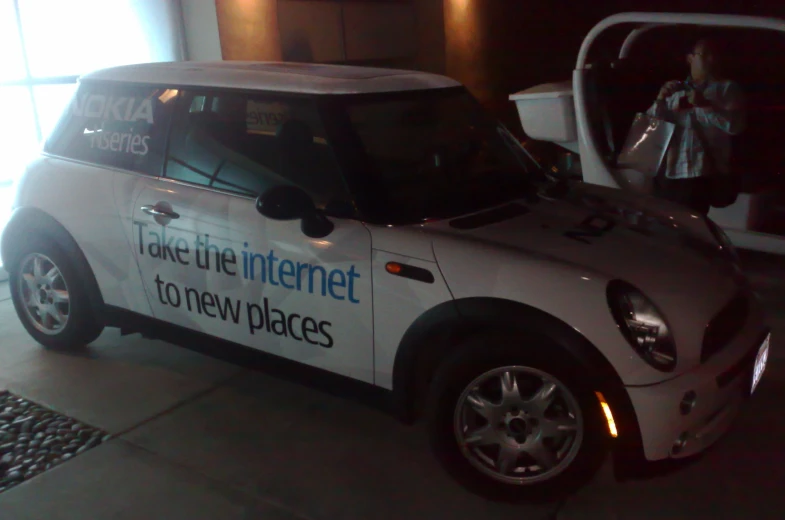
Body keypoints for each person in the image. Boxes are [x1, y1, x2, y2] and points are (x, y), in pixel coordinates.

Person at [647, 38, 746, 214]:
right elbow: (652, 128)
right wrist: (660, 99)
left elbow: (734, 125)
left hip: (699, 173)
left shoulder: (726, 88)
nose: (711, 60)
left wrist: (705, 105)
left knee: (688, 230)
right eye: (705, 54)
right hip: (669, 171)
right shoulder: (675, 89)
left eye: (714, 55)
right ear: (690, 58)